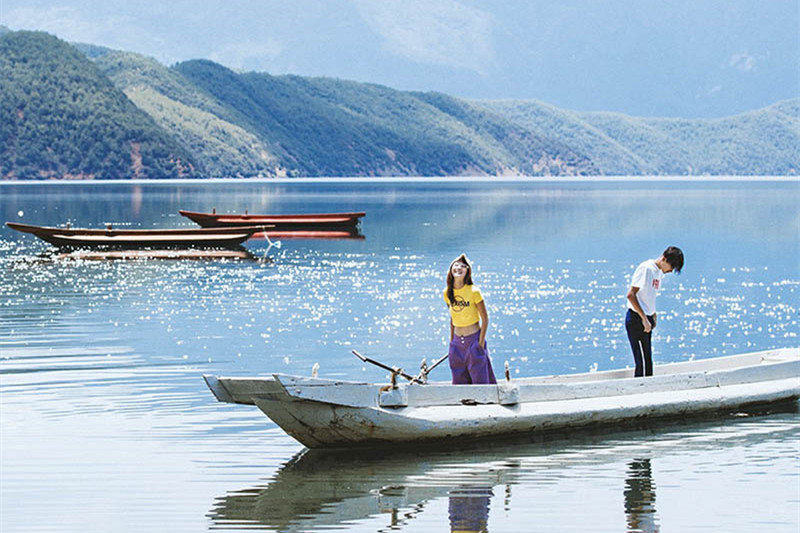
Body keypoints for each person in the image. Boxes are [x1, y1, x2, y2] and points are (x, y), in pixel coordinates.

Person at [625, 246, 684, 377]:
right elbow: (631, 295)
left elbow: (648, 295)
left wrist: (653, 314)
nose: (670, 271)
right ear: (664, 259)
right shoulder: (646, 269)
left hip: (647, 318)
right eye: (671, 267)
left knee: (648, 361)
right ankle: (639, 388)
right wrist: (644, 319)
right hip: (636, 318)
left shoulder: (659, 273)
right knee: (640, 362)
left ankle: (649, 386)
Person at [444, 254, 496, 384]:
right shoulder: (447, 292)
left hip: (473, 340)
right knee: (459, 382)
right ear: (451, 269)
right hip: (457, 344)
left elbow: (485, 319)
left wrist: (480, 343)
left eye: (463, 266)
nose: (459, 268)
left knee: (480, 381)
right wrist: (451, 342)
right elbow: (452, 318)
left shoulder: (474, 291)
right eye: (456, 265)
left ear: (467, 271)